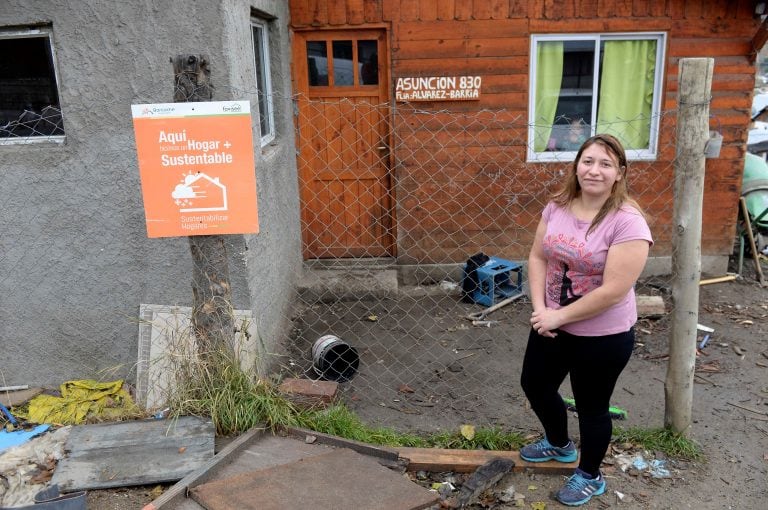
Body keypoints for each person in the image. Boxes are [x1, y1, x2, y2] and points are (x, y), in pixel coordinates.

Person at [520, 134, 653, 506]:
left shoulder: (628, 223)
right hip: (551, 324)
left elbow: (613, 289)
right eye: (588, 161)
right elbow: (537, 257)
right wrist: (541, 312)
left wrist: (557, 315)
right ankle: (559, 444)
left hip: (602, 335)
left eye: (606, 164)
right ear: (576, 165)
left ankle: (589, 474)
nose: (594, 170)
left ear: (619, 174)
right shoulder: (558, 206)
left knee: (592, 406)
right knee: (534, 383)